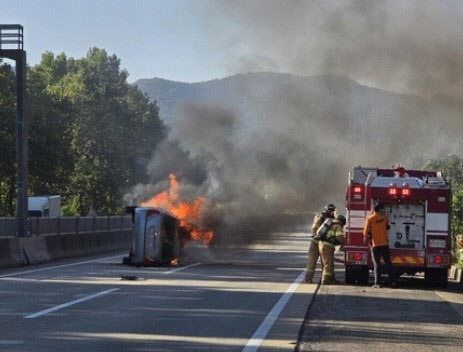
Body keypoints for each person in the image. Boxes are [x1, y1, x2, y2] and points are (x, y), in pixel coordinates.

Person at [363, 202, 398, 288]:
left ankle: (378, 283)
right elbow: (387, 227)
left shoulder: (369, 219)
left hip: (375, 244)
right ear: (380, 210)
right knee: (388, 263)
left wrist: (369, 234)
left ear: (373, 210)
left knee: (377, 264)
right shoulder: (385, 218)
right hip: (384, 244)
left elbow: (365, 232)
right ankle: (393, 282)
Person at [305, 204, 336, 283]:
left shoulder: (319, 217)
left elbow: (314, 228)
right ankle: (325, 279)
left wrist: (316, 235)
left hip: (315, 241)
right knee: (326, 262)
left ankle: (309, 279)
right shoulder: (331, 220)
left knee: (312, 262)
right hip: (323, 243)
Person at [318, 214, 346, 284]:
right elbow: (339, 237)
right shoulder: (338, 226)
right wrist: (344, 241)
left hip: (322, 244)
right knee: (328, 263)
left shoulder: (330, 223)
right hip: (327, 246)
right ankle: (325, 280)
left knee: (326, 263)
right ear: (342, 222)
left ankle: (331, 279)